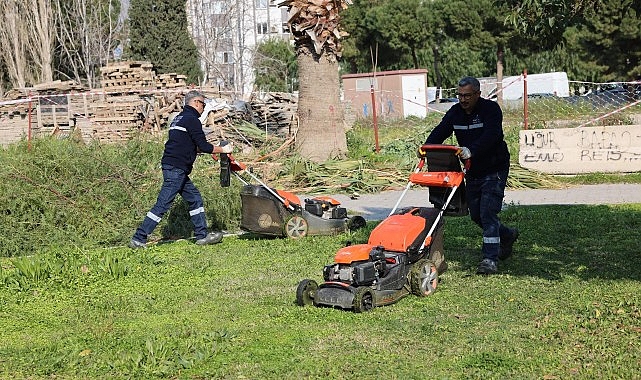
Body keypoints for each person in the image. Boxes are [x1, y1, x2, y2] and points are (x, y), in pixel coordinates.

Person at [421, 76, 519, 274]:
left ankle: (490, 259)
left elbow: (491, 136)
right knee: (475, 215)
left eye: (467, 96)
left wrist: (471, 150)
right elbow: (441, 130)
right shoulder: (456, 112)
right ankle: (506, 235)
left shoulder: (490, 110)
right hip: (472, 170)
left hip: (494, 168)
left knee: (488, 212)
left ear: (477, 94)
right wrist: (427, 147)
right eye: (460, 95)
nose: (463, 100)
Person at [129, 90, 233, 249]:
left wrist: (209, 150)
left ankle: (202, 236)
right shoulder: (192, 120)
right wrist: (222, 150)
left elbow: (187, 144)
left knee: (195, 198)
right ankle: (139, 238)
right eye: (203, 105)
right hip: (176, 169)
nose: (203, 108)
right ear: (196, 102)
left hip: (175, 167)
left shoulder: (178, 118)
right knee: (163, 204)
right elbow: (204, 146)